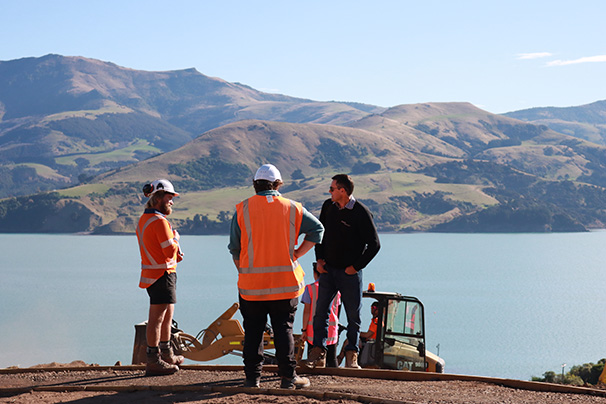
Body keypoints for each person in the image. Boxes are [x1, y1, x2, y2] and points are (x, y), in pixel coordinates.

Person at [228, 164, 324, 389]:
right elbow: (318, 229)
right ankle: (288, 379)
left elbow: (234, 248)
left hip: (251, 287)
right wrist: (298, 253)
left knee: (253, 332)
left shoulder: (243, 209)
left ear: (255, 185)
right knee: (284, 330)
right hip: (285, 285)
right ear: (278, 184)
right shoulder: (292, 208)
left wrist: (244, 271)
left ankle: (252, 379)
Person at [306, 174, 380, 369]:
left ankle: (351, 355)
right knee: (320, 312)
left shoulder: (361, 212)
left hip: (350, 274)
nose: (329, 192)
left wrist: (355, 267)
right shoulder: (328, 207)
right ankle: (318, 353)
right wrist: (319, 261)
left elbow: (374, 245)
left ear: (343, 191)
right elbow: (319, 234)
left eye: (332, 189)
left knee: (353, 316)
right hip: (328, 271)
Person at [136, 179, 185, 376]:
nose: (172, 201)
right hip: (161, 275)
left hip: (158, 273)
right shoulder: (159, 221)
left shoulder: (145, 219)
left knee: (167, 317)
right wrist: (176, 238)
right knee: (157, 319)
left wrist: (173, 250)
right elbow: (168, 247)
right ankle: (153, 360)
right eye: (169, 197)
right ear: (158, 198)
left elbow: (161, 250)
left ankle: (166, 353)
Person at [300, 263, 341, 367]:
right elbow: (336, 310)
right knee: (332, 359)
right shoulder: (337, 290)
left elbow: (307, 311)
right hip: (332, 330)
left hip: (313, 330)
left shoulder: (310, 288)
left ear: (315, 273)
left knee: (313, 358)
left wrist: (304, 330)